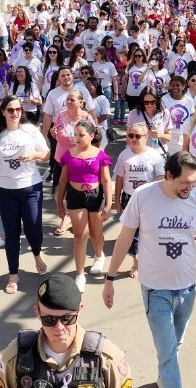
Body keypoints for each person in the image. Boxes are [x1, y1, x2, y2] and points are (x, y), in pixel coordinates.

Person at [102, 151, 196, 388]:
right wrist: (110, 279)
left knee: (173, 347)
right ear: (169, 175)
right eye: (185, 182)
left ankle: (163, 379)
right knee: (168, 355)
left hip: (187, 289)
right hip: (155, 290)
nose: (190, 187)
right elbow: (124, 239)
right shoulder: (143, 196)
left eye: (194, 181)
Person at [0, 273, 133, 388]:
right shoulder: (16, 355)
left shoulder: (105, 358)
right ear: (37, 312)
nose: (59, 327)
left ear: (80, 310)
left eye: (67, 318)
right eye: (49, 319)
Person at [0, 95, 50, 294]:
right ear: (3, 112)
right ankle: (13, 275)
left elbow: (46, 154)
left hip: (30, 187)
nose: (15, 113)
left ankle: (36, 254)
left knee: (34, 230)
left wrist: (33, 155)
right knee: (11, 234)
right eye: (10, 110)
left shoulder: (30, 130)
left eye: (18, 109)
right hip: (5, 190)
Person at [56, 120, 112, 292]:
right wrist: (60, 202)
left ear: (91, 136)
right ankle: (80, 275)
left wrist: (109, 204)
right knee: (80, 235)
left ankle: (99, 255)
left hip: (95, 197)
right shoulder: (69, 155)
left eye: (81, 135)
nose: (77, 138)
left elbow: (106, 180)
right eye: (75, 134)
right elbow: (63, 180)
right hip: (75, 197)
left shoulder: (100, 154)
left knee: (96, 233)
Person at [113, 122, 165, 279]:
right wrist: (117, 200)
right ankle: (136, 264)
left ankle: (151, 262)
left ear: (145, 137)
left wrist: (153, 191)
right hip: (130, 198)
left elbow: (161, 176)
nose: (133, 139)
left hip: (149, 199)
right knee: (133, 233)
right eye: (130, 136)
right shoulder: (124, 155)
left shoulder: (154, 155)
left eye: (137, 136)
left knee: (149, 231)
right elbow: (119, 178)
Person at [128, 87, 171, 155]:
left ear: (157, 101)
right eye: (146, 102)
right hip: (140, 154)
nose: (149, 105)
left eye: (152, 102)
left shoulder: (165, 113)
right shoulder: (133, 114)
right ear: (142, 101)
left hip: (158, 154)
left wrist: (160, 135)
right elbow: (128, 137)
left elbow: (169, 138)